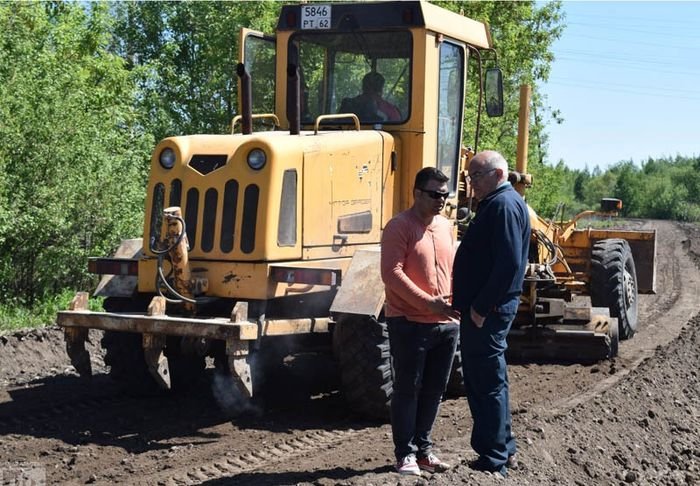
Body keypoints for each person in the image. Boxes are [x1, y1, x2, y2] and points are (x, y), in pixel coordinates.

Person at [452, 150, 530, 477]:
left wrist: (482, 308)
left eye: (476, 177)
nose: (471, 184)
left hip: (489, 312)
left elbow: (510, 264)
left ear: (497, 175)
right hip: (486, 309)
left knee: (486, 382)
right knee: (489, 380)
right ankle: (503, 449)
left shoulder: (503, 206)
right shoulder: (501, 204)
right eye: (469, 178)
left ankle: (494, 458)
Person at [380, 167, 460, 476]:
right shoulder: (399, 227)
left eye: (444, 194)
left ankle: (424, 450)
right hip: (410, 321)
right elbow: (391, 273)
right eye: (434, 194)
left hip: (446, 324)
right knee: (408, 388)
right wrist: (428, 303)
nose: (441, 200)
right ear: (416, 193)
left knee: (434, 389)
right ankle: (405, 454)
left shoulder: (445, 226)